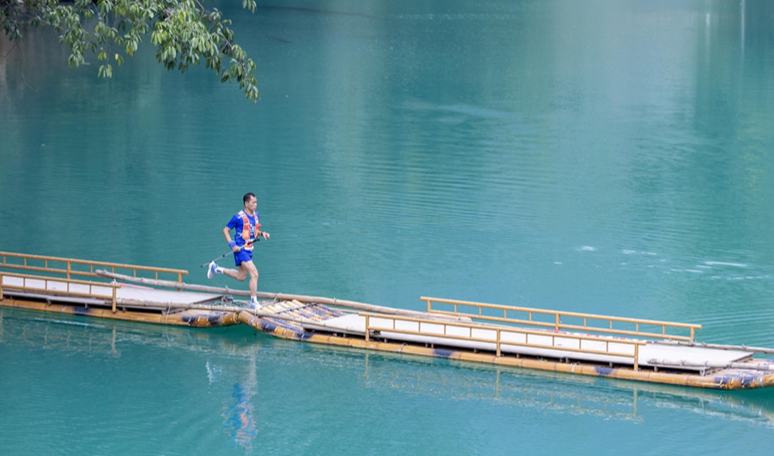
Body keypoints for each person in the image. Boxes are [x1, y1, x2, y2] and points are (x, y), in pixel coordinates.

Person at [207, 192, 270, 309]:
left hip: (249, 249)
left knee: (241, 276)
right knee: (254, 273)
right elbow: (225, 230)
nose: (256, 204)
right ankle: (253, 302)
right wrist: (232, 245)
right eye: (253, 202)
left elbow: (253, 231)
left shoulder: (256, 216)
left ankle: (216, 268)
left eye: (256, 202)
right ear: (246, 203)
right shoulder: (238, 217)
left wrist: (262, 233)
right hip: (240, 250)